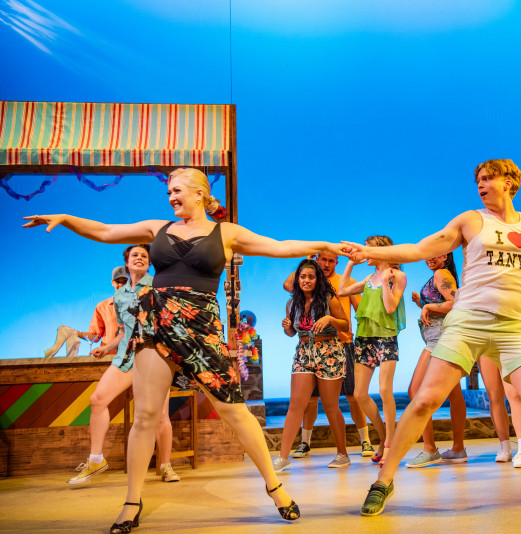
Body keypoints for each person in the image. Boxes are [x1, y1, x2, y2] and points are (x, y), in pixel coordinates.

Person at [24, 167, 345, 530]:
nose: (171, 197)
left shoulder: (226, 233)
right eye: (168, 192)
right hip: (156, 323)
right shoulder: (157, 228)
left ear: (199, 193)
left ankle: (275, 487)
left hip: (202, 327)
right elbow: (106, 231)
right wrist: (66, 218)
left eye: (177, 190)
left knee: (234, 410)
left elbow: (279, 247)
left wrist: (323, 246)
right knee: (146, 415)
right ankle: (131, 502)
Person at [343, 158, 521, 515]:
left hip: (514, 328)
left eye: (488, 178)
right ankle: (383, 481)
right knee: (424, 400)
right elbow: (421, 249)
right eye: (478, 180)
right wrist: (370, 252)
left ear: (509, 182)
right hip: (468, 323)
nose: (481, 185)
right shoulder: (471, 220)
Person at [69, 248, 179, 487]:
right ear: (127, 263)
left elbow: (171, 322)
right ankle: (96, 459)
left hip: (153, 356)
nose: (139, 258)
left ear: (149, 263)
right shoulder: (119, 296)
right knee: (98, 400)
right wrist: (107, 347)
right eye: (134, 256)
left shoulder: (158, 286)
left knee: (161, 415)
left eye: (144, 256)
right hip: (126, 358)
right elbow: (123, 331)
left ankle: (165, 465)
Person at [281, 252, 373, 459]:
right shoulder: (294, 300)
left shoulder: (338, 288)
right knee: (305, 401)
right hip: (305, 351)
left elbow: (358, 312)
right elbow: (289, 287)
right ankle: (295, 448)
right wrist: (307, 261)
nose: (327, 263)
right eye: (323, 259)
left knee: (349, 397)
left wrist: (335, 321)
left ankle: (362, 441)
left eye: (332, 260)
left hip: (337, 346)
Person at [274, 259, 352, 470]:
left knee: (330, 406)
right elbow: (291, 333)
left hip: (329, 352)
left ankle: (342, 454)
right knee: (296, 404)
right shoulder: (292, 303)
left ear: (318, 280)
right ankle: (283, 457)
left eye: (311, 277)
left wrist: (329, 319)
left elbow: (345, 325)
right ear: (297, 280)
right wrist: (286, 326)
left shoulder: (329, 299)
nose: (306, 280)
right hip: (303, 352)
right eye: (302, 277)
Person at [338, 235, 406, 466]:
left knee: (385, 390)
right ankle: (385, 437)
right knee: (359, 394)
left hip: (386, 338)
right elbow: (342, 291)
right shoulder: (369, 278)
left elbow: (390, 307)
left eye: (368, 249)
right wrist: (350, 263)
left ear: (381, 251)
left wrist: (386, 281)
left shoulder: (397, 276)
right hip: (365, 338)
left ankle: (390, 446)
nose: (364, 252)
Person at [405, 253, 467, 467]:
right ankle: (458, 449)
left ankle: (430, 449)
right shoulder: (441, 274)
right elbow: (440, 305)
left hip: (440, 338)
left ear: (445, 255)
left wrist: (427, 307)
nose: (430, 258)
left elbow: (454, 304)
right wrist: (421, 303)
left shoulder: (441, 274)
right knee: (454, 393)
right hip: (440, 335)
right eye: (428, 254)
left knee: (415, 390)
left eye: (436, 253)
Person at [43, 268, 126, 360]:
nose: (121, 285)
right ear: (112, 283)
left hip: (132, 358)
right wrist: (75, 333)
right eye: (118, 282)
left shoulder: (136, 305)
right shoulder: (102, 307)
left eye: (125, 281)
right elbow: (95, 336)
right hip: (108, 358)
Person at [478, 358, 521, 468]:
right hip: (484, 348)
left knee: (514, 395)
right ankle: (505, 447)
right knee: (494, 397)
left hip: (508, 347)